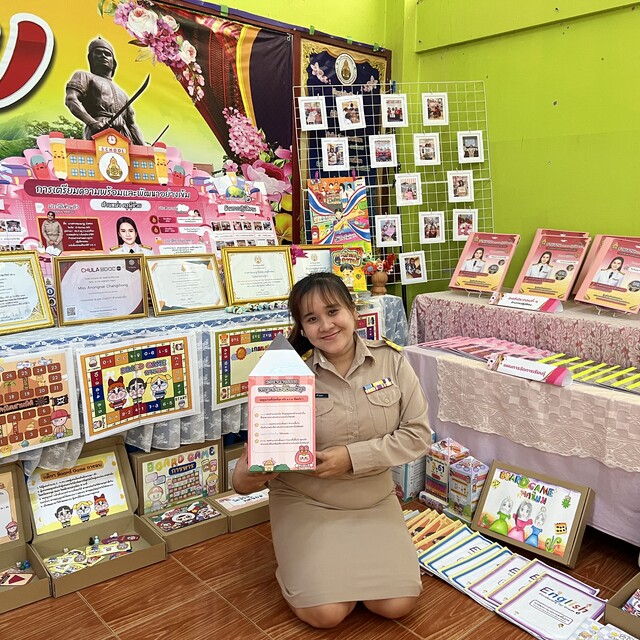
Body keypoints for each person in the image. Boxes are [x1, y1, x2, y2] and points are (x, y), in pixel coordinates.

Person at [231, 273, 432, 628]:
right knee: (326, 614)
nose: (325, 325)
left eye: (333, 311)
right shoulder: (287, 376)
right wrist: (258, 466)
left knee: (397, 604)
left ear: (353, 312)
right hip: (308, 499)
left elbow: (417, 436)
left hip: (373, 497)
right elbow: (244, 482)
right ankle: (297, 560)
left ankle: (327, 566)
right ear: (302, 328)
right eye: (312, 318)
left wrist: (351, 458)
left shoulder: (392, 361)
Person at [65, 37, 145, 145]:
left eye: (107, 54)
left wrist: (144, 147)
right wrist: (92, 122)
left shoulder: (123, 94)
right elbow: (71, 99)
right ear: (91, 59)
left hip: (124, 136)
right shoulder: (84, 76)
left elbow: (132, 124)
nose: (103, 56)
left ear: (113, 62)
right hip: (99, 130)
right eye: (98, 53)